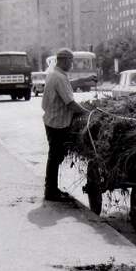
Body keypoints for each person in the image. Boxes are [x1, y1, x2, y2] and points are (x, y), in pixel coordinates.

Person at [42, 48, 96, 201]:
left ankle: (51, 189)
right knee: (55, 157)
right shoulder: (58, 77)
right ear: (64, 60)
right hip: (57, 123)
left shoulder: (55, 74)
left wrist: (85, 79)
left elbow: (67, 84)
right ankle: (50, 192)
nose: (72, 64)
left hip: (52, 120)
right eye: (71, 61)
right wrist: (88, 112)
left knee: (55, 156)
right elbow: (71, 104)